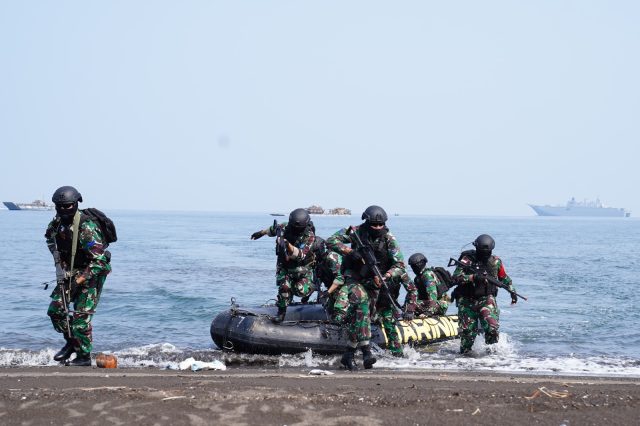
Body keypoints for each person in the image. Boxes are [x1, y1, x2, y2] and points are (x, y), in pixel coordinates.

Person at [326, 205, 408, 370]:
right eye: (374, 225)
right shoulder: (355, 231)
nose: (378, 228)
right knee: (362, 306)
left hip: (375, 280)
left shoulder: (389, 238)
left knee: (362, 318)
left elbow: (400, 264)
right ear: (366, 222)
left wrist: (387, 276)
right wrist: (349, 252)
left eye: (381, 225)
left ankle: (348, 355)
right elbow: (331, 241)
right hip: (355, 278)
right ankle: (367, 352)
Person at [45, 186, 112, 366]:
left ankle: (83, 357)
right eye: (60, 206)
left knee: (80, 320)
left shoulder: (86, 227)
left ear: (76, 204)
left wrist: (79, 280)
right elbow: (50, 239)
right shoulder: (56, 224)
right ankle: (71, 343)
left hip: (92, 274)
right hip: (70, 273)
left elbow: (100, 262)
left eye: (68, 206)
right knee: (56, 311)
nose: (64, 209)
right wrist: (59, 263)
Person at [451, 234, 517, 354]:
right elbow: (455, 278)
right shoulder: (467, 259)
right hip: (467, 300)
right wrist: (473, 277)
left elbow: (504, 278)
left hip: (486, 299)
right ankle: (464, 358)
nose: (485, 254)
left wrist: (512, 291)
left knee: (492, 328)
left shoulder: (496, 262)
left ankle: (491, 354)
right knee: (467, 333)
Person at [251, 208, 317, 323]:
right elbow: (272, 230)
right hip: (285, 266)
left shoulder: (310, 236)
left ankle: (312, 287)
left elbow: (300, 255)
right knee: (284, 287)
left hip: (302, 269)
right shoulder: (284, 227)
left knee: (299, 290)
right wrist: (260, 233)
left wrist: (287, 245)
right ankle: (281, 313)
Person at [374, 270, 417, 357]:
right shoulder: (369, 268)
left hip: (387, 304)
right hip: (370, 303)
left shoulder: (398, 272)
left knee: (389, 325)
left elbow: (412, 290)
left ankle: (397, 353)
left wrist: (410, 309)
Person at [408, 253, 450, 317]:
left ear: (419, 265)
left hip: (440, 304)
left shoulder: (427, 275)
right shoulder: (417, 278)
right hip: (429, 303)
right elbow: (414, 293)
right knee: (410, 302)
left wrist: (429, 311)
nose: (413, 269)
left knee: (414, 304)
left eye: (414, 266)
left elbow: (433, 294)